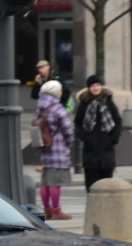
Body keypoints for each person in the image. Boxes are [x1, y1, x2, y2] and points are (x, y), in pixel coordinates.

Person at [74, 75, 123, 191]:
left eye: (98, 85)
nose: (95, 88)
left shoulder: (108, 102)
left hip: (107, 152)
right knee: (91, 187)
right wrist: (85, 137)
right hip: (90, 152)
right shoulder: (84, 104)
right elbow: (78, 123)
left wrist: (113, 138)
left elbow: (118, 121)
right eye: (92, 86)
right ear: (88, 88)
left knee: (107, 187)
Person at [34, 79, 74, 220]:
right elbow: (68, 129)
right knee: (55, 183)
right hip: (58, 149)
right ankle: (57, 210)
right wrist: (69, 142)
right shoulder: (57, 107)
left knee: (45, 182)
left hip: (45, 148)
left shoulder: (39, 107)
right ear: (56, 92)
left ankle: (47, 210)